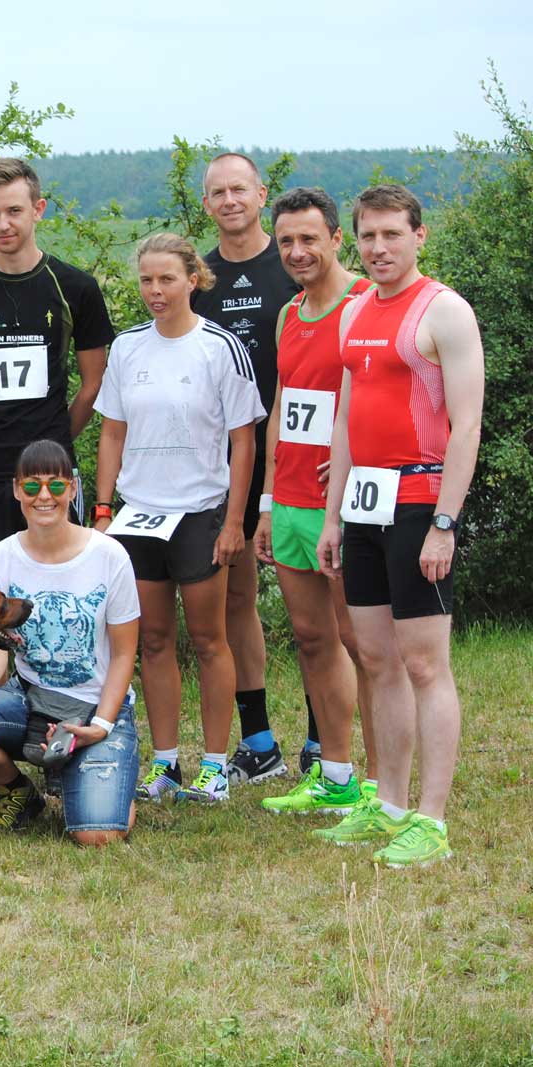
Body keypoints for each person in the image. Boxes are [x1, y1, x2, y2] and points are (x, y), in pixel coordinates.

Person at [314, 184, 484, 868]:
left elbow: (468, 423)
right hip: (365, 508)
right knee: (377, 658)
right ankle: (387, 805)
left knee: (422, 662)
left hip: (420, 501)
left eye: (391, 234)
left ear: (420, 235)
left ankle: (431, 820)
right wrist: (333, 514)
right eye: (367, 236)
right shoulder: (354, 310)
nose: (378, 248)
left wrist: (446, 520)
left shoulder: (444, 310)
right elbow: (347, 419)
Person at [94, 233, 264, 805]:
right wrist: (101, 510)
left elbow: (244, 441)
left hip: (200, 512)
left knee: (211, 639)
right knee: (154, 640)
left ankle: (215, 764)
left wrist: (234, 518)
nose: (155, 291)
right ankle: (165, 763)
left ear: (194, 278)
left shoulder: (220, 346)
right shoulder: (127, 348)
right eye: (146, 280)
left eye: (167, 279)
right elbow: (112, 431)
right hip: (139, 514)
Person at [254, 187, 377, 816]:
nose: (298, 252)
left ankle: (383, 786)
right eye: (286, 242)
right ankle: (337, 773)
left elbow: (389, 393)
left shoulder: (367, 301)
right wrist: (270, 501)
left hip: (349, 503)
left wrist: (359, 451)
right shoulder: (288, 312)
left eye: (309, 238)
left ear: (336, 237)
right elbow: (283, 407)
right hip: (295, 498)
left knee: (363, 641)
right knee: (311, 638)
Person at [0, 440, 142, 843]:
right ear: (17, 489)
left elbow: (125, 652)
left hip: (94, 706)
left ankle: (94, 771)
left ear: (73, 489)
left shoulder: (110, 556)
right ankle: (19, 793)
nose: (44, 497)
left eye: (55, 486)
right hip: (28, 698)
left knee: (98, 836)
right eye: (32, 486)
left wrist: (103, 725)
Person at [0, 158, 114, 580]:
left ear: (38, 209)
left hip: (52, 468)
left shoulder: (75, 288)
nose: (3, 224)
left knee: (63, 583)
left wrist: (55, 437)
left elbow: (93, 385)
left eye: (14, 211)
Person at [190, 153, 302, 784]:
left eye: (240, 189)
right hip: (224, 459)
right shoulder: (198, 276)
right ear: (206, 203)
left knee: (313, 605)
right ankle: (258, 741)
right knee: (237, 603)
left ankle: (322, 742)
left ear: (262, 193)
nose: (230, 200)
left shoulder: (290, 264)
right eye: (217, 192)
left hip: (292, 454)